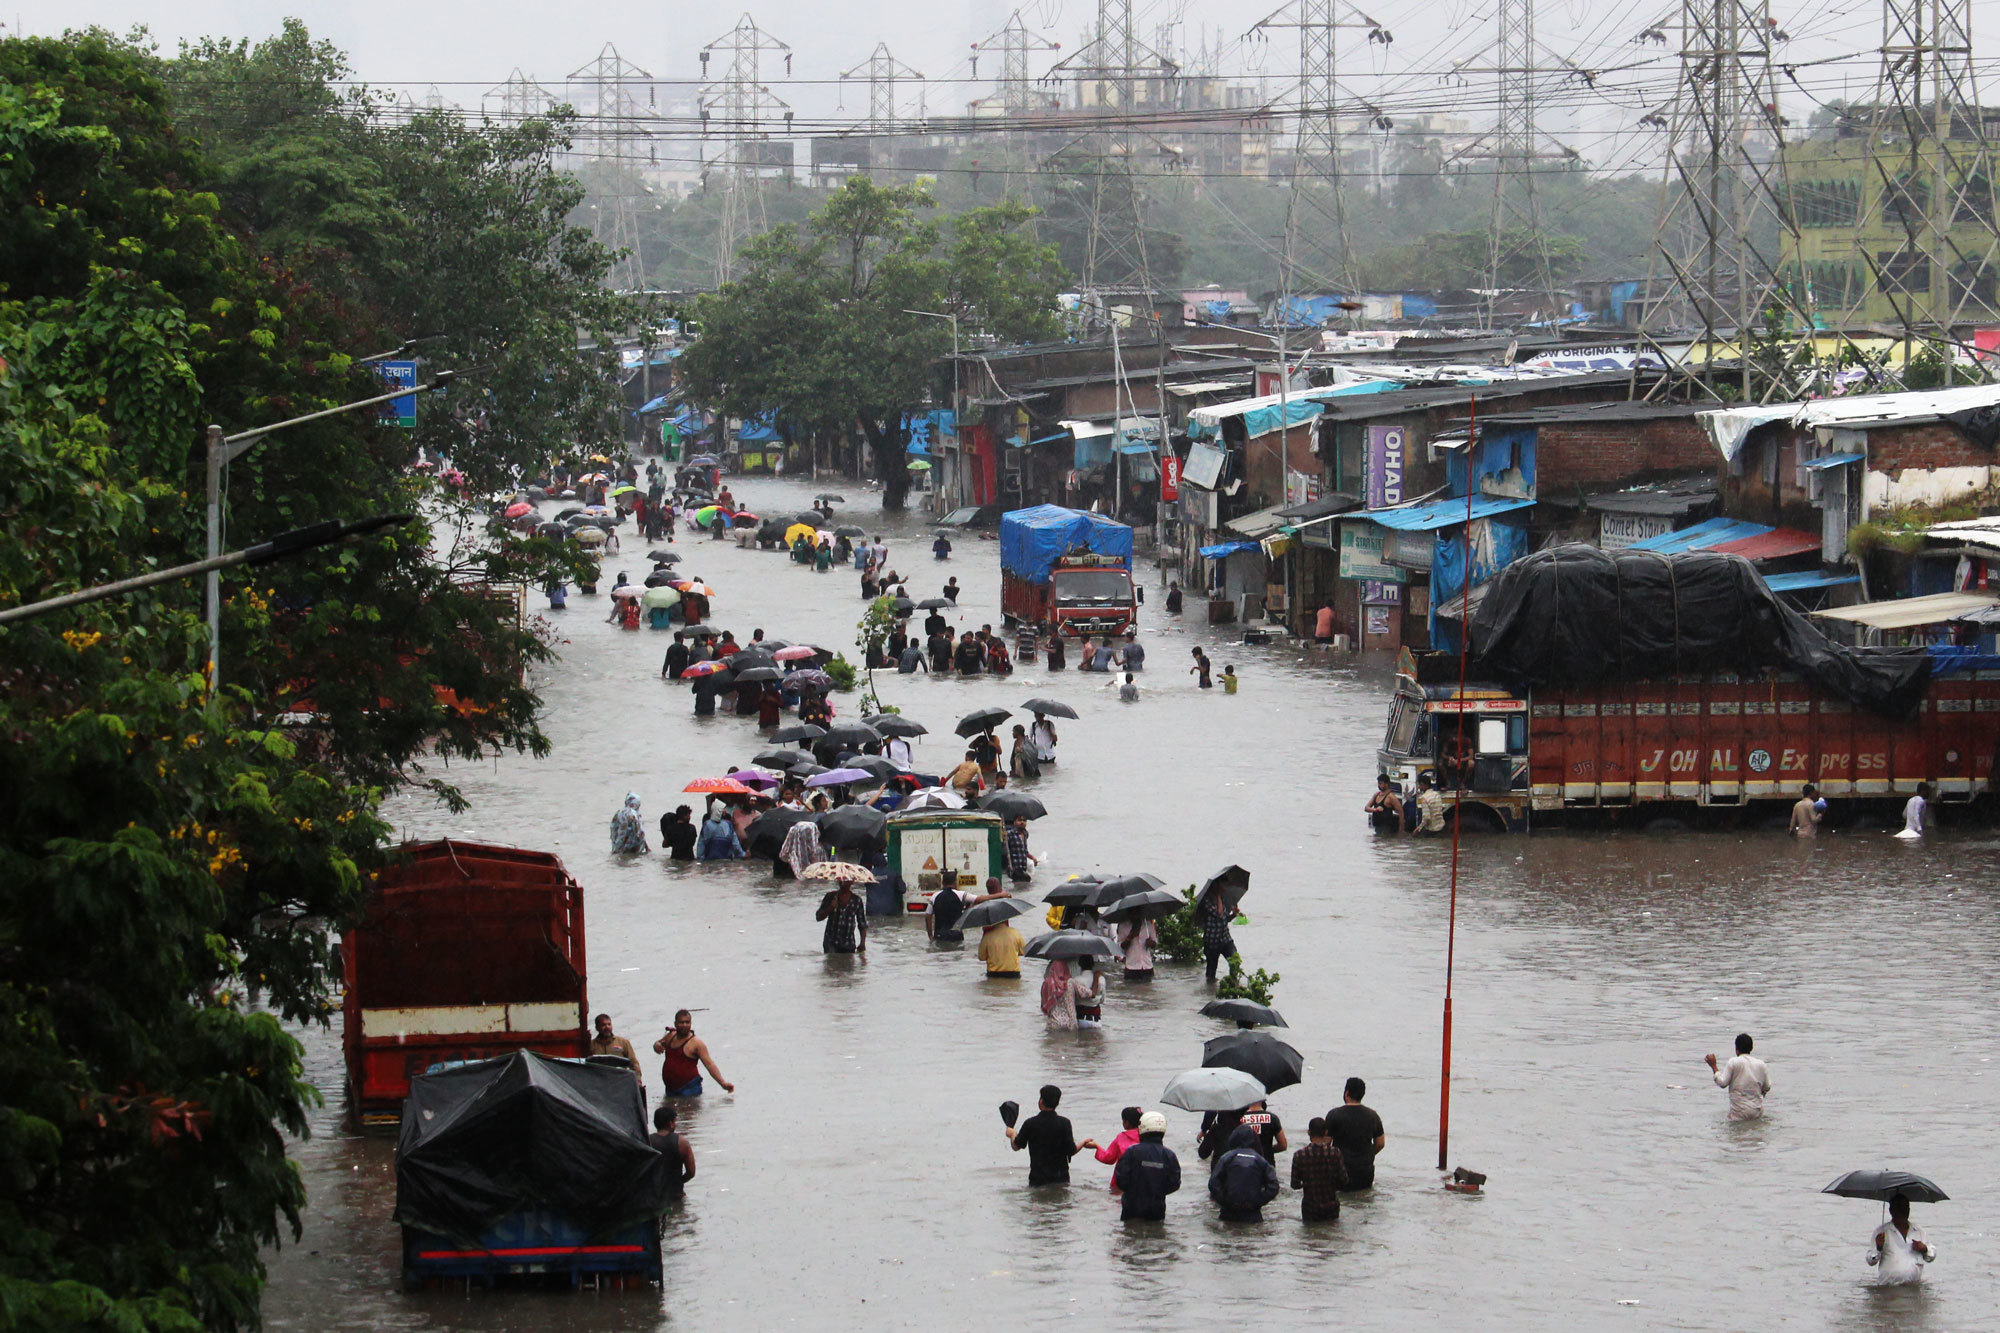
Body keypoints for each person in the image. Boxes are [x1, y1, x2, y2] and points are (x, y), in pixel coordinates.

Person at [1006, 1085, 1097, 1186]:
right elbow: (1071, 1150)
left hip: (1038, 1180)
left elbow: (1016, 1146)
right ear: (1057, 1103)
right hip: (1061, 1179)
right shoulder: (1064, 1123)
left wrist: (1012, 1134)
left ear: (1041, 1101)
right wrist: (1083, 1142)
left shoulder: (1030, 1123)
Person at [1112, 1112, 1181, 1220]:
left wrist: (1134, 1190)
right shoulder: (1169, 1155)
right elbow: (1174, 1183)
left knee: (1130, 1234)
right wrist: (1157, 1192)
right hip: (1156, 1209)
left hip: (1131, 1209)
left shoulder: (1131, 1152)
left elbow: (1121, 1180)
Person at [1208, 1124, 1281, 1222]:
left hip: (1229, 1211)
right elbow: (1274, 1186)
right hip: (1253, 1213)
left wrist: (1225, 1200)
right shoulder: (1260, 1160)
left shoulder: (1226, 1158)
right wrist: (1259, 1201)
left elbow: (1213, 1183)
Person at [653, 1009, 735, 1096]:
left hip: (690, 1088)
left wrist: (723, 1084)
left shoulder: (697, 1043)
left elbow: (710, 1065)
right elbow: (658, 1043)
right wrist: (656, 1045)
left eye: (687, 1022)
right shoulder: (670, 1036)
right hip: (670, 1089)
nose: (685, 1025)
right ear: (675, 1024)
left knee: (691, 1109)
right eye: (681, 1022)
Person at [1326, 1077, 1386, 1189]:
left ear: (1346, 1093)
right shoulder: (1373, 1115)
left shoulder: (1334, 1115)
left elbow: (1326, 1143)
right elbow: (1380, 1143)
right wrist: (1367, 1156)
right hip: (1365, 1172)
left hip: (1341, 1170)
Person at [1290, 1117, 1351, 1222]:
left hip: (1310, 1207)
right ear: (1326, 1132)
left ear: (1309, 1132)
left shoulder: (1299, 1155)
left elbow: (1294, 1185)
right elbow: (1344, 1180)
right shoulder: (1335, 1153)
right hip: (1331, 1206)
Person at [1869, 1195, 1937, 1285]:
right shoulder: (1881, 1232)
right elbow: (1871, 1260)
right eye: (1898, 1207)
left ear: (1909, 1210)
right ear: (1891, 1210)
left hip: (1914, 1289)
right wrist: (1879, 1247)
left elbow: (1931, 1256)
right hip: (1888, 1290)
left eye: (1905, 1207)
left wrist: (1924, 1249)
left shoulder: (1919, 1231)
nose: (1902, 1211)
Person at [1705, 1033, 1771, 1121]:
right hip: (1757, 1113)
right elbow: (1767, 1087)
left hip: (1738, 1115)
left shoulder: (1733, 1062)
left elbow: (1722, 1083)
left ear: (1737, 1049)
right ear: (1751, 1048)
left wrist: (1714, 1066)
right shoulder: (1761, 1064)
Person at [648, 1106, 697, 1199]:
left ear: (655, 1123)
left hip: (653, 1195)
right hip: (675, 1194)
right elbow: (691, 1172)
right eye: (675, 1121)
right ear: (670, 1123)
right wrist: (677, 1182)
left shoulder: (647, 1142)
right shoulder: (682, 1142)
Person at [590, 1013, 644, 1087]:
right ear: (597, 1028)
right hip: (600, 1082)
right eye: (603, 1025)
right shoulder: (591, 1045)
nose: (607, 1027)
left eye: (609, 1024)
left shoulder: (623, 1042)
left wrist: (638, 1080)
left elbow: (634, 1063)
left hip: (621, 1080)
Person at [815, 883, 867, 954]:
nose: (844, 882)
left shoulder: (857, 900)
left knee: (848, 963)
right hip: (831, 943)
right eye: (842, 879)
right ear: (838, 880)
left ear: (851, 881)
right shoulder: (830, 896)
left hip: (849, 944)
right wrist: (831, 907)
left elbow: (862, 923)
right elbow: (818, 917)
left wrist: (862, 943)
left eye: (847, 880)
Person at [1197, 889, 1236, 982]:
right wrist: (1218, 897)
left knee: (1234, 961)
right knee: (1211, 972)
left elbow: (1225, 918)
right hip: (1212, 941)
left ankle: (1234, 983)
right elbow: (1219, 914)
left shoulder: (1223, 899)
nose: (1225, 888)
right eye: (1222, 886)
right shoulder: (1206, 901)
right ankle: (1210, 990)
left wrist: (1234, 914)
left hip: (1225, 938)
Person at [1095, 1107, 1143, 1176]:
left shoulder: (1121, 1137)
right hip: (1142, 1180)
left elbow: (1108, 1158)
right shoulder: (1146, 1136)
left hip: (1122, 1180)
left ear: (1126, 1122)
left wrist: (1096, 1147)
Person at [1118, 915, 1157, 982]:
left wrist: (1150, 943)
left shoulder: (1149, 925)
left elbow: (1154, 943)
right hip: (1131, 967)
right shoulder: (1123, 926)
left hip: (1147, 966)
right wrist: (1130, 937)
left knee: (1149, 990)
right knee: (1131, 990)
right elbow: (1120, 946)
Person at [1070, 955, 1105, 1027]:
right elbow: (1102, 1000)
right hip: (1096, 1021)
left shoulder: (1076, 980)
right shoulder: (1101, 979)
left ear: (1079, 964)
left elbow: (1072, 1000)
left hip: (1080, 1019)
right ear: (1093, 964)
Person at [927, 880, 966, 945]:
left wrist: (930, 935)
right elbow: (977, 899)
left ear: (942, 883)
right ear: (955, 883)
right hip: (956, 935)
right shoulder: (962, 895)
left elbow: (928, 915)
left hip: (940, 934)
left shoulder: (935, 896)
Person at [1005, 814, 1036, 882]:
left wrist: (1032, 858)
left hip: (1023, 865)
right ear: (1014, 822)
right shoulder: (1009, 834)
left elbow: (1024, 850)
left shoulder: (1025, 833)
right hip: (1014, 866)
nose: (1022, 822)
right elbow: (1004, 849)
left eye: (1024, 820)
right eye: (1019, 820)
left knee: (1022, 886)